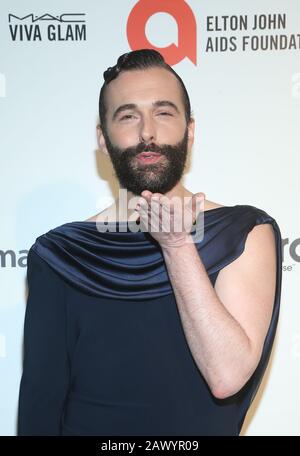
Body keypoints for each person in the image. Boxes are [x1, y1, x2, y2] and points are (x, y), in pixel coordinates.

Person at [18, 49, 282, 436]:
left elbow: (227, 375)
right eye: (127, 115)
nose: (147, 132)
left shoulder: (243, 232)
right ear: (103, 139)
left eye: (163, 112)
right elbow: (40, 408)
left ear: (190, 130)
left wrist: (177, 245)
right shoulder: (60, 255)